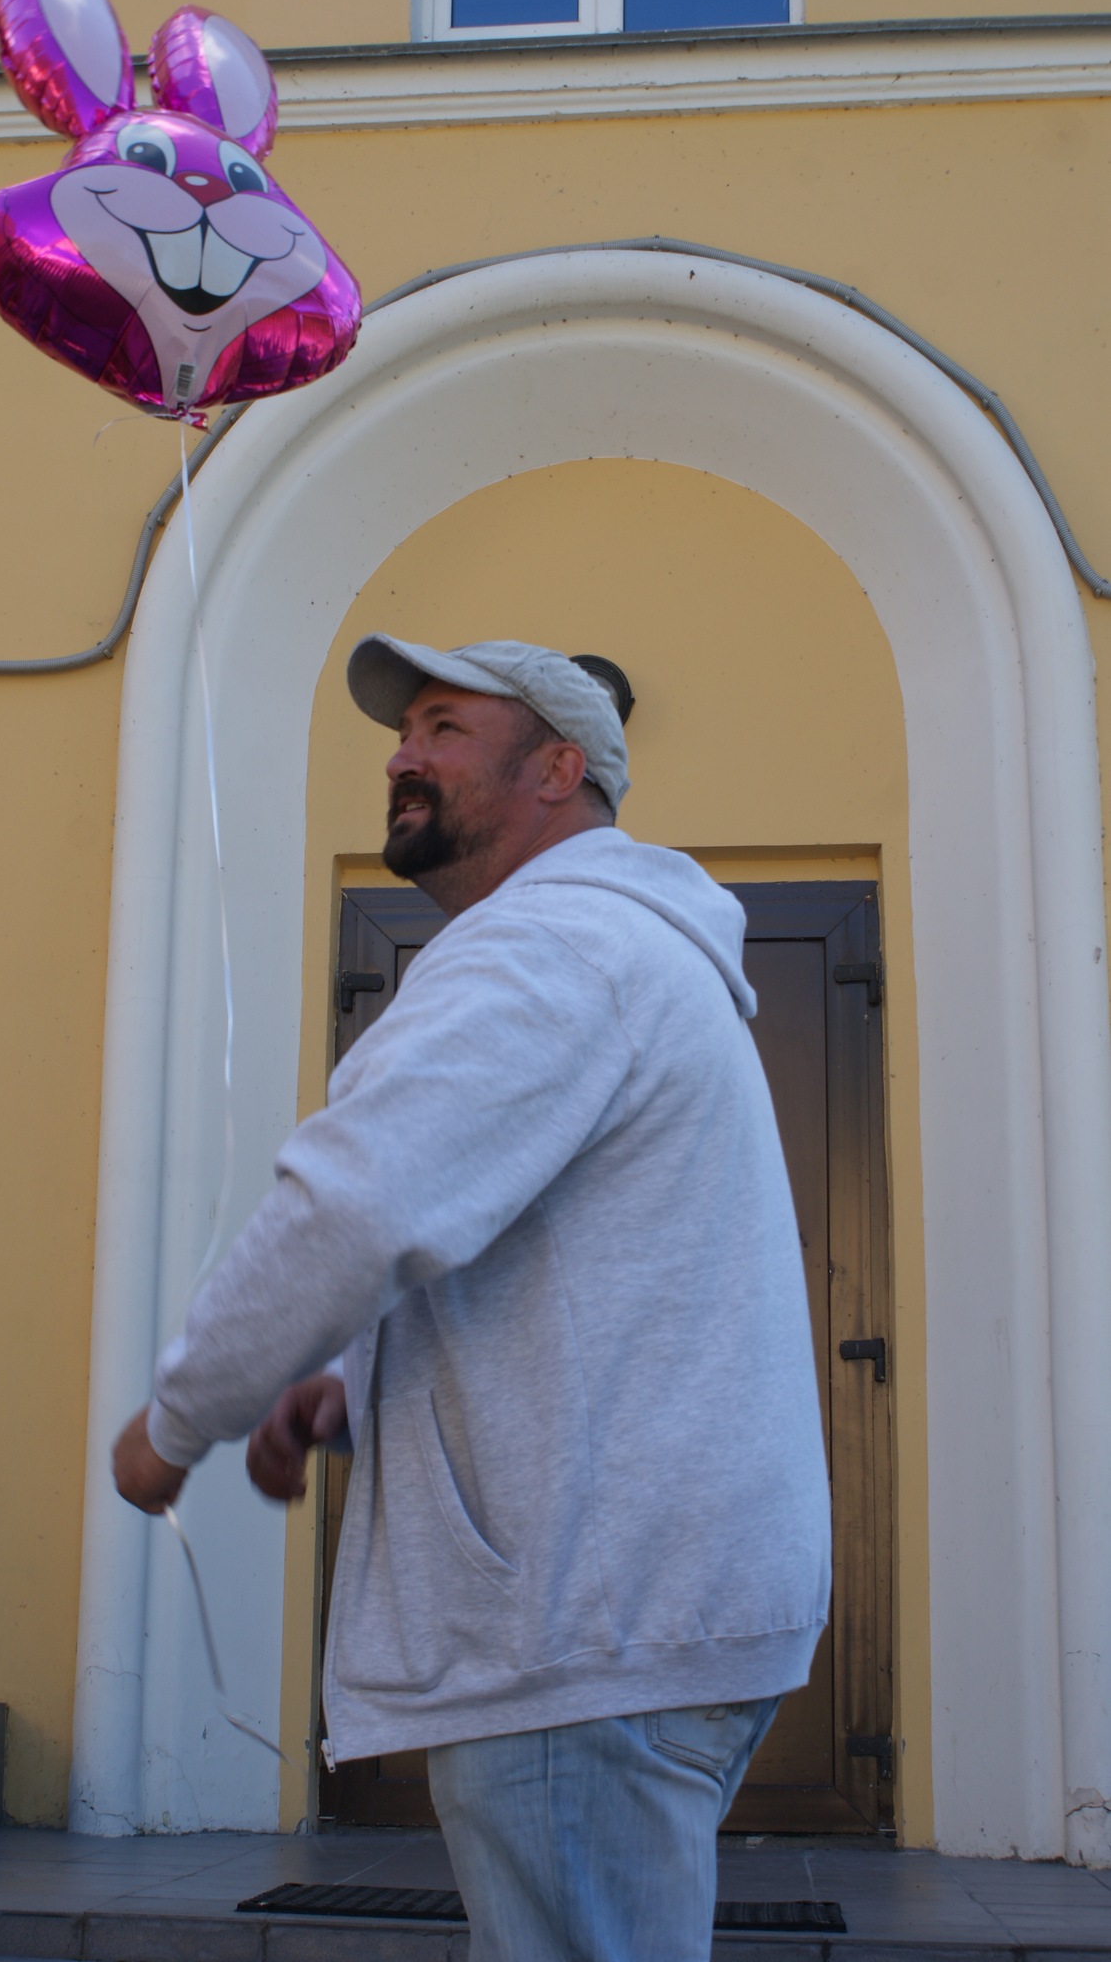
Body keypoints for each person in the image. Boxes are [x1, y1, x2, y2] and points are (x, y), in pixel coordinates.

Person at [113, 635, 830, 1962]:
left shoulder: (549, 944)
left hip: (577, 1632)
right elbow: (548, 1256)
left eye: (444, 728)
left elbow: (355, 1207)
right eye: (403, 732)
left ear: (558, 770)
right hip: (642, 1615)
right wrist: (357, 1381)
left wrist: (173, 1424)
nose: (403, 755)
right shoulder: (621, 949)